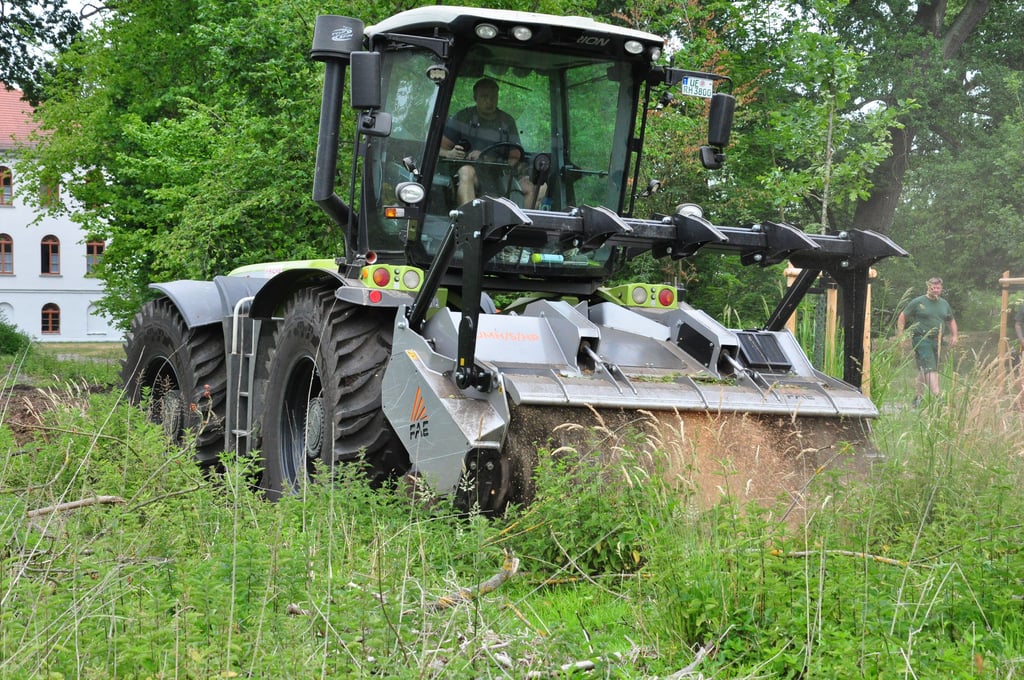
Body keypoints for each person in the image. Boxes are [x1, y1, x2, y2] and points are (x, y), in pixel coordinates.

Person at [440, 78, 536, 207]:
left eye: (493, 97)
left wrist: (487, 158)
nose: (489, 101)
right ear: (475, 98)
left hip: (500, 175)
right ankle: (469, 218)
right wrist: (449, 154)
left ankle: (520, 220)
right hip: (473, 174)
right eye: (484, 96)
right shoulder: (463, 117)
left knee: (533, 187)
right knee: (466, 171)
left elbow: (514, 157)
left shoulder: (507, 122)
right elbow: (439, 149)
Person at [897, 276, 958, 405]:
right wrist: (900, 335)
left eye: (938, 288)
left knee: (924, 368)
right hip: (922, 339)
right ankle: (937, 396)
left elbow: (951, 320)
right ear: (928, 288)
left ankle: (918, 398)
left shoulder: (944, 304)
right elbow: (903, 316)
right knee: (930, 367)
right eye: (933, 287)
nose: (935, 290)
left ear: (941, 288)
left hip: (937, 341)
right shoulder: (918, 302)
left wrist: (954, 335)